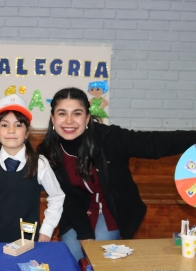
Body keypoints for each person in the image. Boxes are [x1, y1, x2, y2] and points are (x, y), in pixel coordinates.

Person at [37, 87, 196, 261]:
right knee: (72, 255)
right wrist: (84, 234)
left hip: (112, 207)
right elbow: (67, 197)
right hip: (77, 210)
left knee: (98, 255)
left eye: (77, 113)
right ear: (53, 118)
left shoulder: (110, 138)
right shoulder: (47, 152)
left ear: (87, 118)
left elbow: (154, 143)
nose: (69, 121)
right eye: (62, 114)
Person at [0, 94, 64, 243]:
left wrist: (47, 230)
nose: (11, 130)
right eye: (4, 125)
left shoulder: (39, 163)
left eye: (18, 125)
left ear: (27, 132)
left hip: (27, 238)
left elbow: (57, 197)